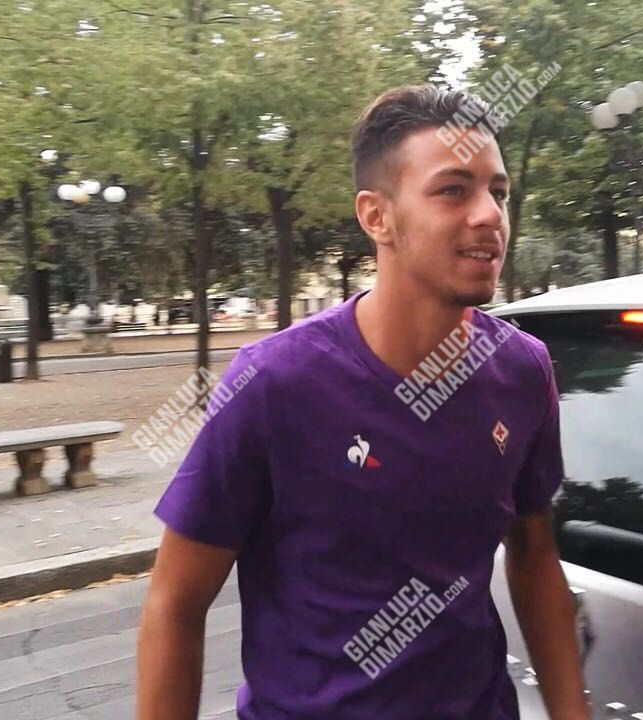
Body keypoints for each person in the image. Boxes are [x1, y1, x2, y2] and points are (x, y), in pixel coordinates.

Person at [136, 85, 587, 720]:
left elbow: (534, 556)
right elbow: (174, 603)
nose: (490, 214)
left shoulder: (522, 370)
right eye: (453, 190)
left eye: (499, 192)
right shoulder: (273, 384)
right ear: (377, 217)